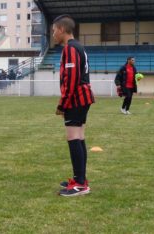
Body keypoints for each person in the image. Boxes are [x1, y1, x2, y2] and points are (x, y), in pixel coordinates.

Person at [52, 14, 95, 197]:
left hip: (77, 98)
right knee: (79, 137)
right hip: (83, 97)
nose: (53, 34)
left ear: (62, 29)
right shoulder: (79, 47)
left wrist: (63, 103)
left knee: (73, 138)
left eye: (54, 30)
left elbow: (71, 79)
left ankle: (80, 185)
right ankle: (80, 179)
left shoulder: (70, 48)